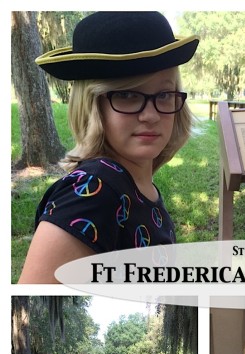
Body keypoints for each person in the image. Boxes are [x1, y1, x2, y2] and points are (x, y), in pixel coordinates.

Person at [18, 12, 199, 283]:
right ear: (92, 106)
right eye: (127, 95)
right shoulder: (92, 194)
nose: (150, 115)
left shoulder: (137, 187)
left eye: (163, 94)